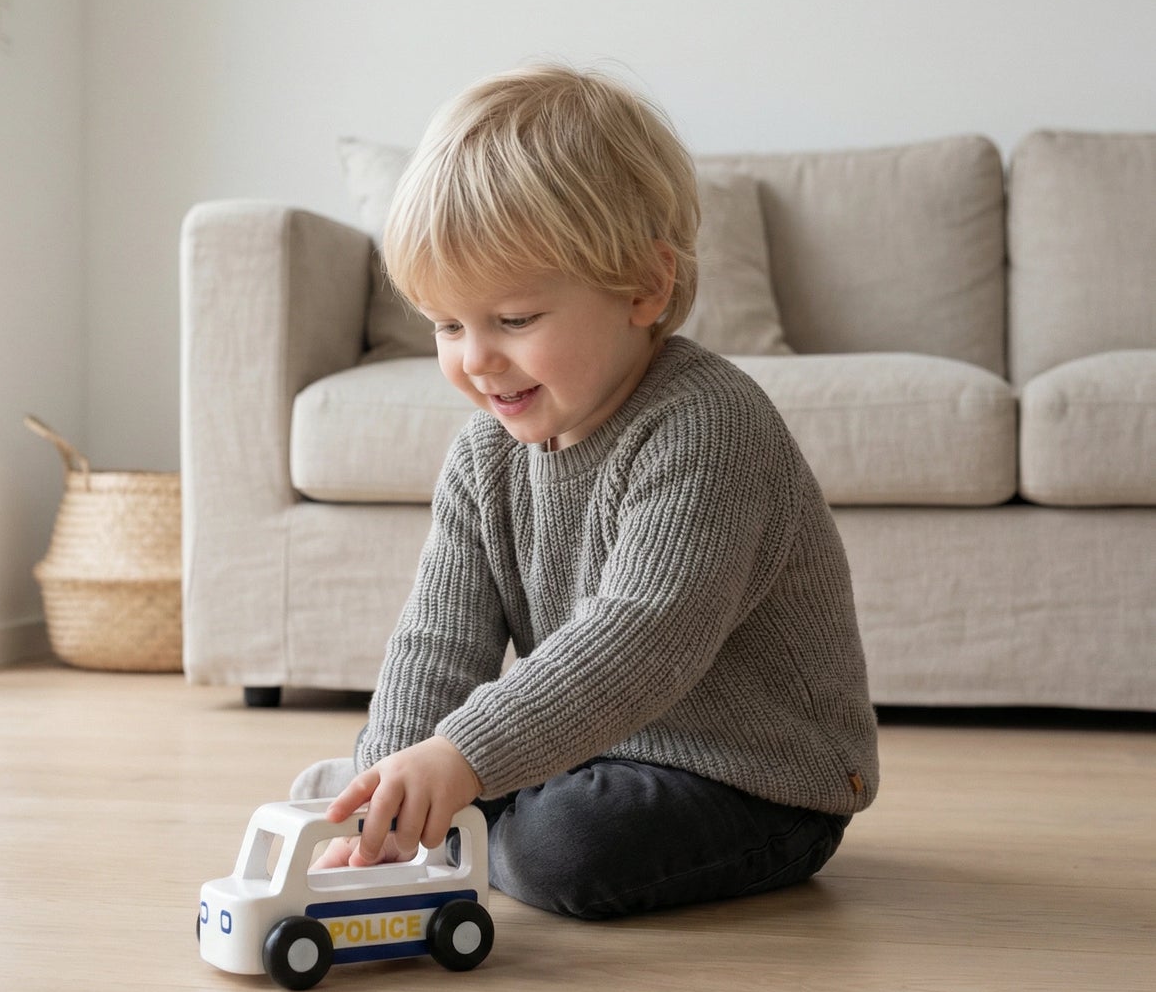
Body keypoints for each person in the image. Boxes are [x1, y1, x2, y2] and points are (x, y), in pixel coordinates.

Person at [295, 60, 879, 920]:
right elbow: (437, 639)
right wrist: (385, 780)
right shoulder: (482, 457)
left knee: (562, 847)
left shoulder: (708, 426)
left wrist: (459, 758)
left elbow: (641, 637)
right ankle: (443, 808)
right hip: (595, 745)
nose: (475, 359)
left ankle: (471, 821)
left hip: (756, 780)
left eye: (514, 319)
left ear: (643, 286)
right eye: (448, 325)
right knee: (398, 773)